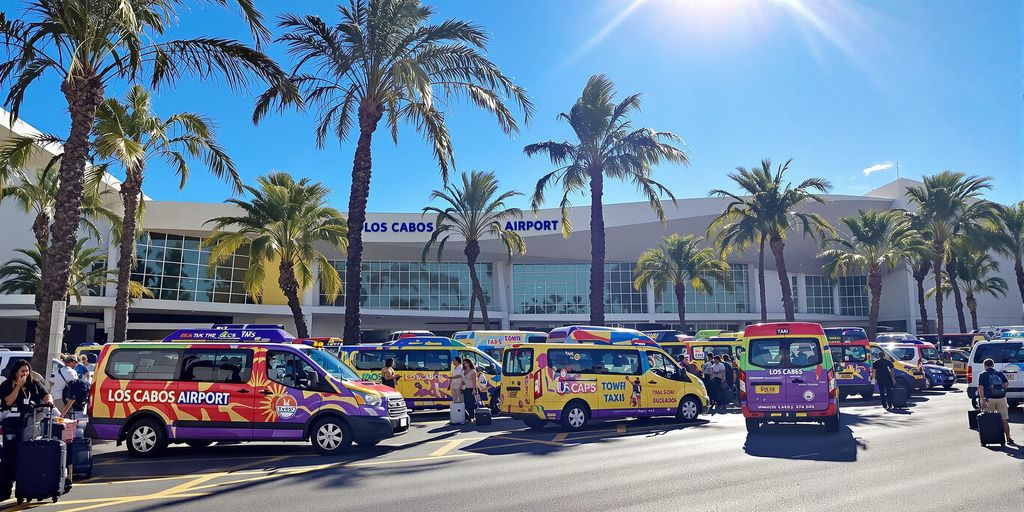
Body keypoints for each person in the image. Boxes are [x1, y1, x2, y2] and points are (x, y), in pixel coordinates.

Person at [0, 359, 55, 500]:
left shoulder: (34, 384)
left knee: (27, 456)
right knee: (9, 458)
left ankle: (25, 488)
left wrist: (49, 400)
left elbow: (45, 394)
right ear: (16, 373)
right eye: (22, 371)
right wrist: (18, 387)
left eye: (27, 371)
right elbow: (8, 402)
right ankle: (5, 489)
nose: (25, 374)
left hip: (29, 424)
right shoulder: (7, 385)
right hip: (12, 425)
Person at [978, 358, 1014, 444]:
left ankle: (990, 438)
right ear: (993, 365)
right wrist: (1002, 391)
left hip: (990, 399)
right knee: (1004, 419)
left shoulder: (983, 374)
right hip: (1002, 398)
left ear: (985, 365)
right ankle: (1008, 438)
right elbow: (1006, 384)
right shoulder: (999, 373)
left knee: (989, 419)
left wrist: (982, 399)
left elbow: (981, 388)